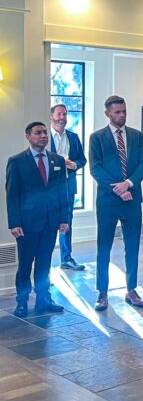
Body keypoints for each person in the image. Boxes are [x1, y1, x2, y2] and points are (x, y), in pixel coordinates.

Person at [89, 95, 143, 311]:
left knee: (132, 246)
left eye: (124, 111)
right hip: (108, 200)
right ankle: (102, 293)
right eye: (117, 112)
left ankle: (131, 289)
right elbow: (95, 169)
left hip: (132, 199)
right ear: (108, 113)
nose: (122, 115)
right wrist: (118, 188)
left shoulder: (137, 136)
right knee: (103, 246)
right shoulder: (97, 138)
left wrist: (128, 184)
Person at [6, 122, 70, 317]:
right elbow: (12, 194)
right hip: (26, 224)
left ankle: (43, 300)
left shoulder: (57, 160)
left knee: (44, 263)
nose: (43, 136)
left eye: (44, 133)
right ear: (28, 136)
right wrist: (14, 222)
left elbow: (63, 191)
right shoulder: (17, 161)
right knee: (25, 265)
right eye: (38, 133)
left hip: (50, 222)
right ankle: (22, 302)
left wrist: (64, 218)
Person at [49, 103, 87, 271]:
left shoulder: (73, 136)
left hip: (68, 186)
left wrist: (74, 164)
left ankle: (66, 259)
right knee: (48, 223)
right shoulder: (44, 137)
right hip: (49, 188)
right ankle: (45, 265)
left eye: (64, 114)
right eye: (59, 114)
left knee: (67, 221)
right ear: (52, 117)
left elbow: (82, 160)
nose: (62, 118)